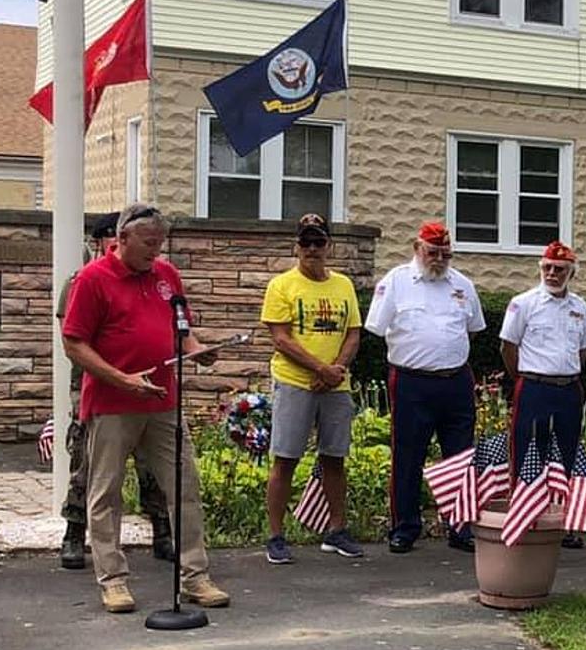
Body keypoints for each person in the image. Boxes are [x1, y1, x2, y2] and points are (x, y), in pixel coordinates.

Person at [61, 203, 229, 613]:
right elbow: (74, 343)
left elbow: (181, 327)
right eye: (149, 244)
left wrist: (196, 350)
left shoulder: (167, 275)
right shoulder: (92, 279)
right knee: (106, 491)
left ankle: (195, 576)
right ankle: (113, 580)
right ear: (121, 239)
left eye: (160, 243)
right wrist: (122, 378)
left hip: (163, 399)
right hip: (112, 402)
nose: (156, 251)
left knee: (184, 486)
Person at [55, 211, 174, 570]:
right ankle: (75, 531)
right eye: (106, 237)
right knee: (88, 462)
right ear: (102, 242)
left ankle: (162, 529)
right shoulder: (82, 281)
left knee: (151, 465)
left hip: (148, 387)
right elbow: (74, 338)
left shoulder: (153, 277)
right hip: (96, 386)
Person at [364, 221, 486, 554]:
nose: (439, 259)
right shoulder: (396, 282)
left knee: (460, 456)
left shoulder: (462, 285)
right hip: (411, 382)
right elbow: (376, 328)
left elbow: (472, 330)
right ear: (417, 249)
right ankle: (404, 527)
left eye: (445, 253)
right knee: (408, 455)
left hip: (455, 381)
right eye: (433, 252)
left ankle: (459, 527)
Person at [261, 213, 363, 563]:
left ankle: (336, 530)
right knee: (286, 458)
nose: (313, 248)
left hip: (336, 384)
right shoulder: (281, 285)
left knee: (335, 458)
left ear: (329, 246)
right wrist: (319, 368)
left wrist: (337, 369)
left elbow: (353, 332)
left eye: (319, 242)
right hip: (295, 383)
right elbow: (280, 337)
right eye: (306, 242)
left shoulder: (344, 285)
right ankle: (275, 535)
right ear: (296, 246)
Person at [499, 241, 586, 549]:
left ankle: (562, 522)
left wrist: (564, 373)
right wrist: (526, 377)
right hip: (534, 386)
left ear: (571, 273)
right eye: (547, 268)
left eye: (560, 269)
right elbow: (508, 347)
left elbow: (585, 349)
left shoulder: (579, 307)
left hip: (567, 388)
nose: (552, 274)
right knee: (527, 450)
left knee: (565, 453)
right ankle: (524, 517)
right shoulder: (523, 303)